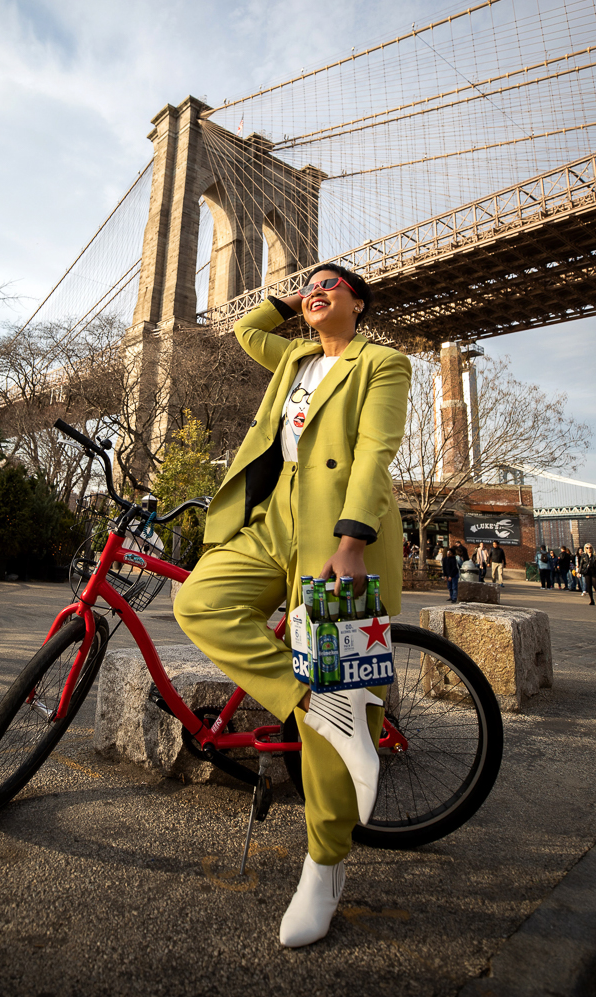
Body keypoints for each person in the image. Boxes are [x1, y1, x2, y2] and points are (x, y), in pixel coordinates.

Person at [174, 263, 411, 948]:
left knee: (332, 679)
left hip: (332, 526)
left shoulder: (382, 361)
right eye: (309, 283)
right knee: (201, 603)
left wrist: (352, 538)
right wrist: (294, 292)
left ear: (358, 302)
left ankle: (324, 868)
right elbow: (249, 326)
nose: (317, 288)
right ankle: (314, 703)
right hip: (271, 516)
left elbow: (375, 450)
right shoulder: (294, 354)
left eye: (333, 284)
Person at [581, 542, 596, 606]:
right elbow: (581, 564)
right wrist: (579, 572)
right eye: (587, 548)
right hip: (587, 572)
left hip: (594, 572)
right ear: (585, 549)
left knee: (595, 586)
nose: (589, 549)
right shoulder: (584, 556)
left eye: (590, 548)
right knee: (589, 586)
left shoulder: (594, 556)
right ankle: (591, 600)